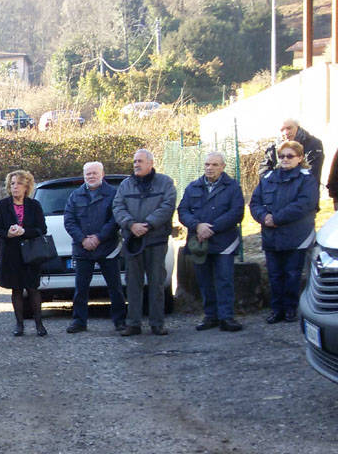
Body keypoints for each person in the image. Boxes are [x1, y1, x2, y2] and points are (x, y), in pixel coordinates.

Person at [250, 140, 320, 323]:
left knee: (292, 274)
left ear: (299, 158)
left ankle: (290, 309)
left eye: (290, 156)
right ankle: (276, 309)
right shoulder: (267, 178)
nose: (285, 159)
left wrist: (276, 218)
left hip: (296, 235)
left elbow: (304, 205)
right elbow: (255, 203)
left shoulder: (307, 179)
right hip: (272, 236)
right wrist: (264, 217)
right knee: (274, 275)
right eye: (281, 156)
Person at [177, 152, 246, 332]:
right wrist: (197, 225)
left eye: (215, 165)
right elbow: (183, 211)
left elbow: (237, 213)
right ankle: (210, 316)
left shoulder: (233, 187)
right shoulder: (193, 187)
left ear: (223, 167)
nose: (210, 168)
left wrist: (212, 228)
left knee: (224, 279)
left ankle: (227, 317)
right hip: (199, 243)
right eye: (207, 164)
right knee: (204, 280)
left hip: (224, 241)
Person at [112, 149, 177, 336]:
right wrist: (131, 225)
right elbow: (117, 207)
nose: (136, 164)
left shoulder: (165, 183)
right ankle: (133, 323)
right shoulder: (125, 185)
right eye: (134, 161)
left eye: (140, 161)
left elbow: (168, 206)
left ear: (150, 163)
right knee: (133, 284)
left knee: (157, 283)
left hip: (156, 240)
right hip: (132, 241)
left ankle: (157, 323)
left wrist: (148, 225)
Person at [63, 161, 126, 333]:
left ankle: (120, 321)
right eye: (88, 174)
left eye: (94, 173)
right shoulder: (75, 196)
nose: (91, 176)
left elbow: (115, 220)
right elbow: (69, 220)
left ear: (102, 174)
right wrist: (83, 239)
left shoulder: (113, 194)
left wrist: (99, 238)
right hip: (82, 249)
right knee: (81, 288)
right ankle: (79, 322)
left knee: (115, 288)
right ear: (84, 175)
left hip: (108, 248)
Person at [0, 169, 48, 336]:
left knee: (33, 289)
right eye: (12, 183)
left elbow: (42, 229)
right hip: (11, 254)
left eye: (19, 183)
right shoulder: (2, 205)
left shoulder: (34, 205)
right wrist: (8, 233)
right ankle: (19, 324)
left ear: (27, 187)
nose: (15, 187)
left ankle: (39, 324)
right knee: (16, 290)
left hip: (31, 254)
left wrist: (25, 231)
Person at [260, 118, 324, 177]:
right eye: (282, 130)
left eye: (289, 128)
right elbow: (264, 173)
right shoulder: (273, 148)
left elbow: (312, 174)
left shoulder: (313, 144)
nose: (286, 133)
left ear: (297, 127)